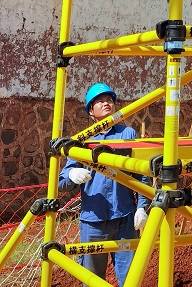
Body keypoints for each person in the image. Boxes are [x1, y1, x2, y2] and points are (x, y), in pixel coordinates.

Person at [58, 83, 150, 287]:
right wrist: (72, 174)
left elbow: (143, 174)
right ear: (91, 111)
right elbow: (61, 183)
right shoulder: (82, 140)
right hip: (93, 221)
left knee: (131, 278)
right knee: (92, 280)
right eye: (99, 101)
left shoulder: (128, 134)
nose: (106, 103)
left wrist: (142, 207)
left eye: (109, 99)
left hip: (125, 219)